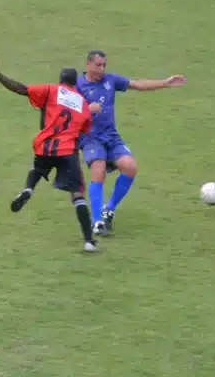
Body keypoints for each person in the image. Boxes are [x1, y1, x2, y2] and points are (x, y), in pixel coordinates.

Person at [0, 61, 101, 252]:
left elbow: (21, 89)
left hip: (45, 146)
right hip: (67, 151)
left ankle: (28, 190)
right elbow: (84, 129)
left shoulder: (50, 90)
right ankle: (89, 241)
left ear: (60, 80)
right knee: (78, 195)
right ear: (75, 84)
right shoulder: (82, 103)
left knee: (38, 169)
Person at [76, 49, 186, 237]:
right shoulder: (77, 85)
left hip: (111, 137)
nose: (101, 69)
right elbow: (64, 111)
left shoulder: (110, 80)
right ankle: (97, 222)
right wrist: (86, 109)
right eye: (98, 65)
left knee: (130, 167)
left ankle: (108, 209)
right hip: (90, 138)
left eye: (104, 65)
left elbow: (137, 85)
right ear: (88, 64)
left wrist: (165, 83)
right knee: (98, 169)